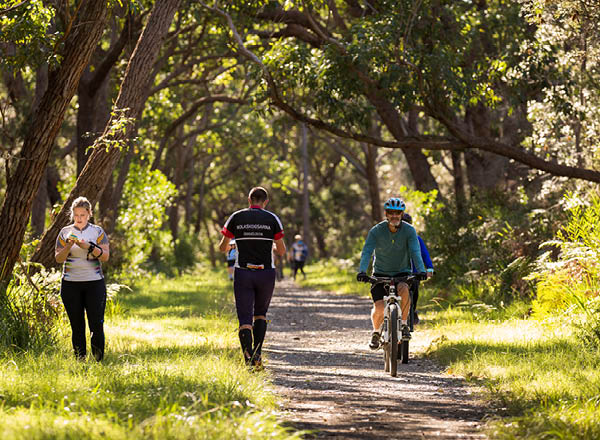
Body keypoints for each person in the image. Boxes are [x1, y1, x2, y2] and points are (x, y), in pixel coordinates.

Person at [218, 186, 286, 368]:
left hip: (243, 273)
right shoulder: (272, 219)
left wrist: (233, 246)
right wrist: (269, 246)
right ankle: (258, 354)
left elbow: (222, 247)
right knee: (260, 315)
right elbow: (281, 250)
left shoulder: (236, 217)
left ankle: (248, 360)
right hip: (266, 273)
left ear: (249, 200)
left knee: (245, 319)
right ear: (265, 202)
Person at [356, 197, 425, 350]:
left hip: (402, 273)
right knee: (380, 308)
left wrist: (420, 270)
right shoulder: (376, 231)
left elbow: (415, 251)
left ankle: (405, 325)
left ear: (402, 214)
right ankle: (375, 332)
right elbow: (367, 251)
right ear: (386, 214)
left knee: (405, 290)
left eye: (398, 213)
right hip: (380, 274)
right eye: (391, 213)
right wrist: (362, 271)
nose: (395, 216)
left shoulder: (409, 230)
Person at [55, 196, 110, 361]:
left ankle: (98, 359)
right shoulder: (65, 232)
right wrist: (68, 246)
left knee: (96, 324)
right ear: (72, 214)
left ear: (89, 214)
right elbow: (58, 258)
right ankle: (80, 360)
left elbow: (105, 256)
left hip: (95, 284)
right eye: (76, 215)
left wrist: (89, 246)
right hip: (70, 285)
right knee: (77, 326)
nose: (79, 218)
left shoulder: (97, 231)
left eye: (83, 215)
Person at [402, 213, 434, 324]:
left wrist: (429, 268)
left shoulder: (416, 238)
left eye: (407, 223)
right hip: (398, 272)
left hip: (414, 273)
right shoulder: (393, 238)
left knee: (414, 291)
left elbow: (424, 254)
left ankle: (413, 310)